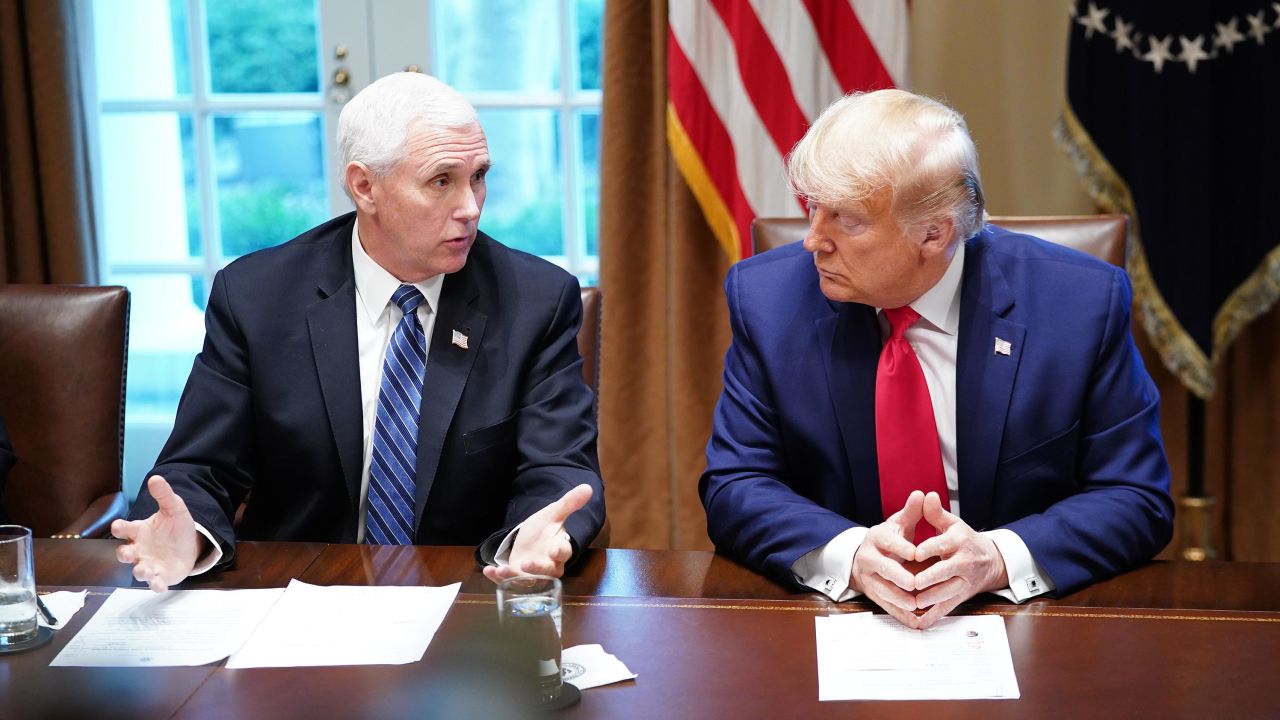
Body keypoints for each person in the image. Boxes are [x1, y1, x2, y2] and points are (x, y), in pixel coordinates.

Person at [700, 89, 1173, 629]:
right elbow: (735, 485)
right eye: (814, 208)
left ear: (933, 233)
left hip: (1025, 622)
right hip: (837, 621)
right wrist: (851, 555)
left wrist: (997, 559)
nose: (813, 241)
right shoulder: (767, 300)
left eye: (846, 220)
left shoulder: (1080, 305)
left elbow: (1136, 498)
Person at [113, 72, 605, 591]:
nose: (471, 207)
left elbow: (559, 469)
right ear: (365, 186)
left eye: (478, 175)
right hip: (297, 597)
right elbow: (199, 466)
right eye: (442, 181)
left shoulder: (534, 301)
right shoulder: (258, 297)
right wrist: (188, 535)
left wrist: (533, 537)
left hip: (467, 599)